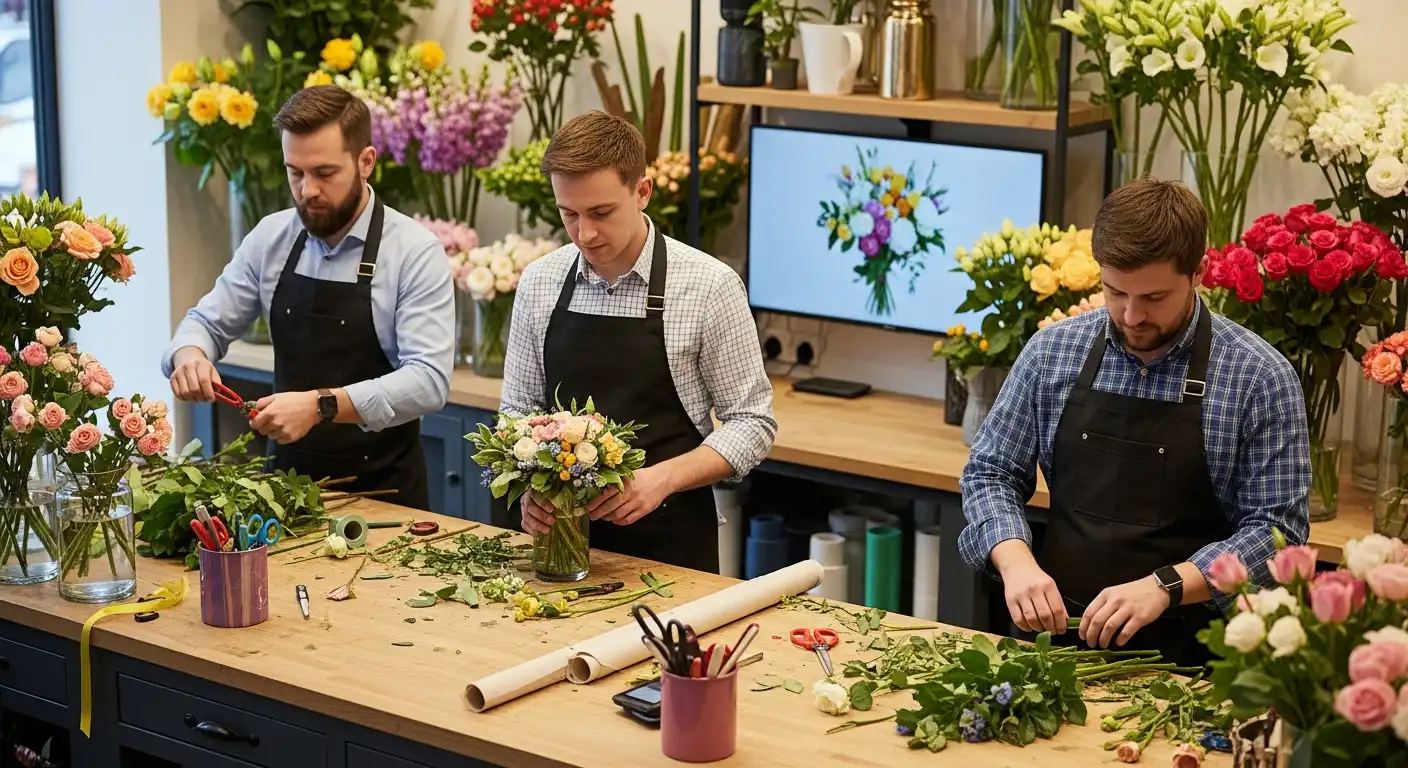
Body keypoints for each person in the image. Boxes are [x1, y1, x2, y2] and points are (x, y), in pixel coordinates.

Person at [957, 179, 1311, 667]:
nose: (1131, 315)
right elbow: (990, 471)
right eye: (1115, 291)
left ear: (1199, 272)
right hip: (1053, 651)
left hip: (1194, 664)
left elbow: (1277, 533)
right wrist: (1016, 561)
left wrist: (1166, 586)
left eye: (1154, 297)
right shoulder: (1053, 352)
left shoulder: (1259, 378)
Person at [500, 110, 777, 574]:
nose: (585, 233)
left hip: (672, 555)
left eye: (601, 213)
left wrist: (662, 479)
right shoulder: (540, 282)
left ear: (642, 192)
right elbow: (517, 410)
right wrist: (528, 487)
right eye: (569, 214)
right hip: (561, 548)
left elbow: (753, 423)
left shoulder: (709, 287)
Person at [162, 85, 455, 511]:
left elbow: (429, 381)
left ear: (366, 161)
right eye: (295, 172)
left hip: (387, 499)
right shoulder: (271, 238)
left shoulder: (414, 251)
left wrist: (321, 406)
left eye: (324, 172)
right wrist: (190, 355)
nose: (307, 190)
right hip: (282, 496)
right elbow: (205, 323)